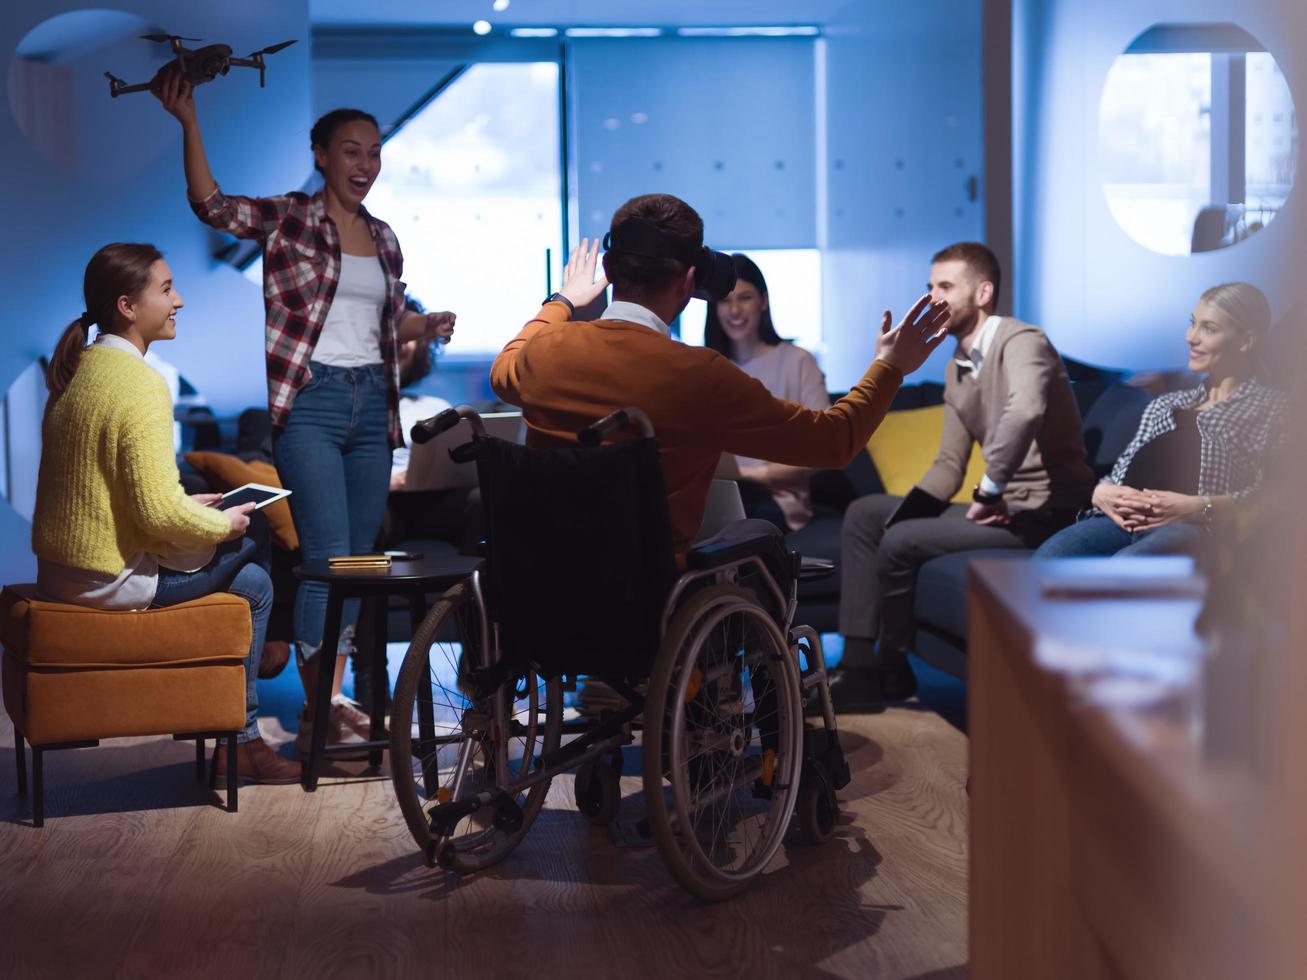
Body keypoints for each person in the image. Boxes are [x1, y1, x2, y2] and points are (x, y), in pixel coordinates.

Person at [154, 72, 457, 758]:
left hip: (372, 403)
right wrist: (189, 122)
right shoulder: (290, 217)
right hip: (312, 404)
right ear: (321, 154)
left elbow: (385, 321)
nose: (365, 164)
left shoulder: (384, 238)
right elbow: (210, 205)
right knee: (325, 561)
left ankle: (333, 700)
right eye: (352, 150)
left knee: (359, 562)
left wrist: (423, 323)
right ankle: (322, 709)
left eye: (374, 152)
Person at [490, 193, 950, 569]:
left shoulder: (544, 350)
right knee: (756, 532)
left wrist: (561, 301)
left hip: (544, 582)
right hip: (645, 594)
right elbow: (834, 440)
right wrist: (890, 367)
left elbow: (502, 368)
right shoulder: (699, 376)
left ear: (608, 273)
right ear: (691, 282)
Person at [32, 243, 298, 783]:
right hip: (112, 581)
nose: (180, 300)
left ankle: (241, 731)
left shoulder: (77, 371)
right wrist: (221, 523)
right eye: (166, 289)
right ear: (128, 306)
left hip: (65, 573)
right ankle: (243, 734)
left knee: (246, 573)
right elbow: (155, 515)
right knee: (258, 552)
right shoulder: (139, 383)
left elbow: (120, 496)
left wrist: (189, 507)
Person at [833, 242, 1095, 712]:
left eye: (946, 286)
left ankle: (889, 668)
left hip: (1041, 511)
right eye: (929, 287)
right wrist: (904, 512)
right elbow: (949, 467)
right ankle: (855, 667)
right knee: (865, 514)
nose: (933, 297)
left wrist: (991, 488)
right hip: (998, 506)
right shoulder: (957, 366)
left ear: (984, 292)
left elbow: (1027, 408)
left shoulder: (1023, 340)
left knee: (900, 542)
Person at [1035, 283, 1286, 559]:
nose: (1191, 337)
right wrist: (1100, 492)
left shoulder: (1274, 409)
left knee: (1125, 569)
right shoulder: (1165, 403)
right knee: (1047, 563)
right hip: (1119, 520)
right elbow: (1119, 471)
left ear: (1246, 341)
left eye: (1209, 329)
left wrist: (1198, 506)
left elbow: (1276, 494)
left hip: (1190, 526)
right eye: (1192, 324)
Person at [704, 253, 830, 531]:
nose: (735, 310)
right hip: (716, 492)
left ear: (764, 301)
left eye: (745, 297)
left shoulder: (797, 360)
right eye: (725, 300)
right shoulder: (706, 367)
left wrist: (755, 475)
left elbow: (825, 447)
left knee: (734, 527)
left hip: (775, 498)